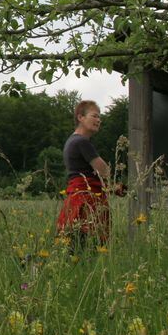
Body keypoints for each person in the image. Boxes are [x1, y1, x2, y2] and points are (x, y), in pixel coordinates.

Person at [56, 100, 113, 248]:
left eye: (99, 117)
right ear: (80, 117)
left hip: (77, 196)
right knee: (86, 243)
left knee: (72, 242)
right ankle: (35, 264)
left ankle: (35, 265)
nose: (98, 120)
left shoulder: (71, 141)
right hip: (86, 198)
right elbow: (104, 171)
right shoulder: (81, 142)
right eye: (94, 116)